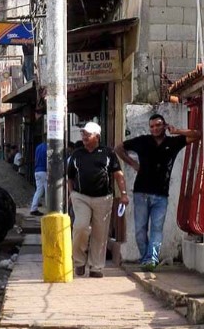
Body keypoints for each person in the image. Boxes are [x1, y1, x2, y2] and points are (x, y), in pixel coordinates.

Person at [114, 113, 202, 271]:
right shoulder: (142, 141)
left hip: (161, 195)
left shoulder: (173, 142)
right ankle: (145, 258)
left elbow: (197, 135)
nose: (155, 128)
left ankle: (151, 259)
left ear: (165, 126)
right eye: (152, 126)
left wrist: (178, 131)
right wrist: (132, 163)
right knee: (140, 230)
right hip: (141, 192)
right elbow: (118, 148)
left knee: (156, 229)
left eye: (158, 125)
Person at [68, 122, 129, 278]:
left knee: (100, 233)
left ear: (97, 136)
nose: (84, 137)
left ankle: (96, 266)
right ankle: (79, 261)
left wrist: (123, 194)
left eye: (88, 134)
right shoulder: (77, 154)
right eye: (83, 134)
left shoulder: (108, 153)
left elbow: (118, 175)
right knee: (80, 227)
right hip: (81, 196)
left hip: (103, 198)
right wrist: (72, 194)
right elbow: (70, 177)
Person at [29, 139, 48, 216]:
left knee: (39, 190)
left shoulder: (38, 147)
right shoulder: (49, 147)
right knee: (48, 191)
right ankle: (50, 209)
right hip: (44, 171)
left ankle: (33, 209)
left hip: (37, 171)